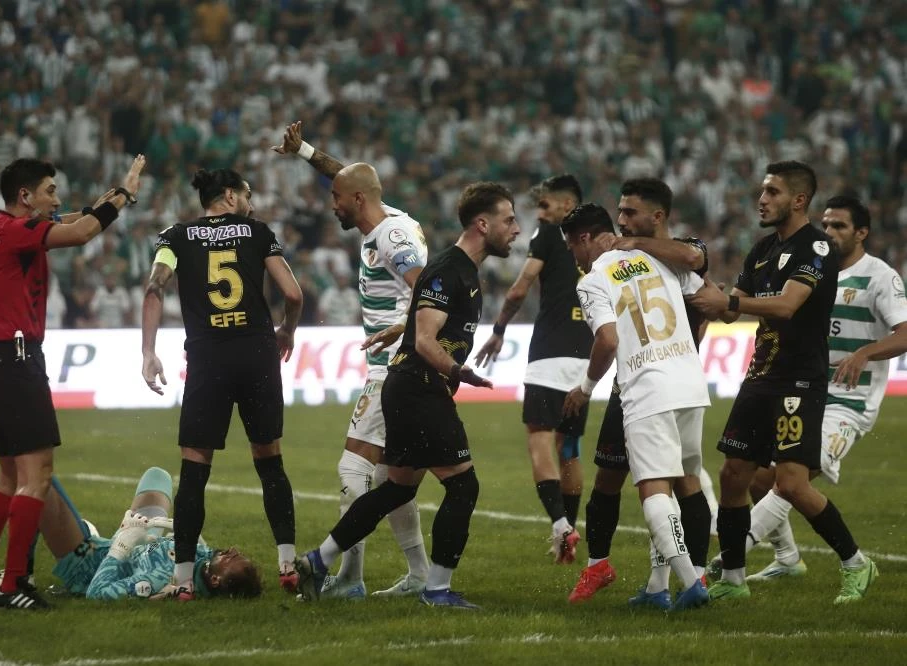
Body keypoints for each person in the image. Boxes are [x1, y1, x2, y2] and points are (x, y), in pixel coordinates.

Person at [295, 182, 520, 610]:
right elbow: (426, 340)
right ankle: (436, 589)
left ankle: (318, 560)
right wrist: (459, 372)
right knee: (464, 487)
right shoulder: (448, 270)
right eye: (509, 220)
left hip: (408, 386)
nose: (516, 229)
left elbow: (420, 321)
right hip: (420, 387)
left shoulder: (461, 272)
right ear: (482, 223)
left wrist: (404, 328)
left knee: (395, 490)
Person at [0, 155, 145, 611]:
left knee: (9, 476)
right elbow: (81, 233)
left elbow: (73, 219)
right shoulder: (18, 231)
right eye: (50, 191)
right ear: (25, 196)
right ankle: (13, 584)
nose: (57, 199)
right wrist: (124, 196)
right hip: (16, 361)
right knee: (36, 475)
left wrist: (111, 196)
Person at [688, 161, 878, 604]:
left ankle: (856, 563)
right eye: (762, 191)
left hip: (799, 382)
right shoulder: (761, 249)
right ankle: (733, 578)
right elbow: (733, 309)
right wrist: (706, 296)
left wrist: (730, 301)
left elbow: (788, 304)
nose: (762, 199)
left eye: (772, 192)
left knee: (791, 484)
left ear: (798, 200)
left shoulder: (818, 247)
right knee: (734, 474)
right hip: (761, 376)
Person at [709, 194, 907, 582]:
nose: (829, 232)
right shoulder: (813, 269)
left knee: (791, 483)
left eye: (840, 226)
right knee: (759, 479)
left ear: (862, 233)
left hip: (848, 401)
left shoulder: (880, 277)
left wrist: (865, 353)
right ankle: (787, 557)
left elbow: (905, 332)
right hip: (800, 387)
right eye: (826, 224)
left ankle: (733, 556)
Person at [273, 121, 432, 598]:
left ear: (358, 200)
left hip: (394, 369)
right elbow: (350, 177)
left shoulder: (391, 237)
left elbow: (427, 289)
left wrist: (402, 328)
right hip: (402, 368)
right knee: (389, 478)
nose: (332, 205)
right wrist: (305, 152)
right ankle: (419, 575)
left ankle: (349, 577)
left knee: (352, 469)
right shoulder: (386, 217)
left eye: (336, 199)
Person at [140, 168, 303, 601]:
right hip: (256, 355)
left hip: (207, 359)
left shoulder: (175, 237)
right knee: (270, 463)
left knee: (194, 471)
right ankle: (288, 566)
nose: (251, 202)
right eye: (247, 193)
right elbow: (293, 294)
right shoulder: (257, 232)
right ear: (230, 196)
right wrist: (287, 330)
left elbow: (155, 288)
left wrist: (149, 351)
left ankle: (182, 583)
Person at [568, 179, 714, 604]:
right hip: (689, 381)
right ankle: (660, 587)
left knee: (653, 488)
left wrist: (585, 386)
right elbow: (711, 300)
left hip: (646, 386)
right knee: (688, 480)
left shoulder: (595, 278)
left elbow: (608, 339)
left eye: (629, 212)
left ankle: (691, 585)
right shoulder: (661, 259)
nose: (623, 220)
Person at [474, 174, 591, 565]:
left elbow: (521, 287)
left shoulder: (550, 234)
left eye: (545, 206)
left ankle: (560, 525)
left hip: (549, 353)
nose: (538, 215)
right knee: (569, 448)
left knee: (539, 438)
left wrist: (498, 329)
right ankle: (569, 530)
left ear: (566, 205)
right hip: (586, 357)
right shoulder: (596, 240)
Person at [42, 467, 261, 601]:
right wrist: (170, 535)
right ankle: (99, 532)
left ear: (214, 580)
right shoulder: (205, 563)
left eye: (231, 558)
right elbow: (183, 552)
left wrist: (121, 547)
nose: (232, 550)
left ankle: (24, 576)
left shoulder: (157, 580)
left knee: (41, 480)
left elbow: (97, 592)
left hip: (90, 564)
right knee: (157, 476)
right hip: (139, 541)